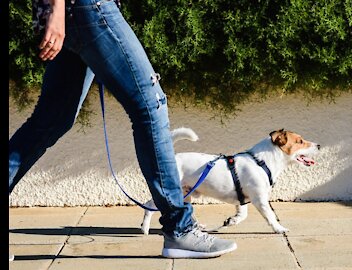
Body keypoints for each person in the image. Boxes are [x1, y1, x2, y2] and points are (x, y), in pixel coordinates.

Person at [9, 0, 237, 260]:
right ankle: (180, 228)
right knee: (151, 107)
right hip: (88, 7)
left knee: (51, 120)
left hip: (78, 11)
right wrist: (57, 8)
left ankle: (180, 228)